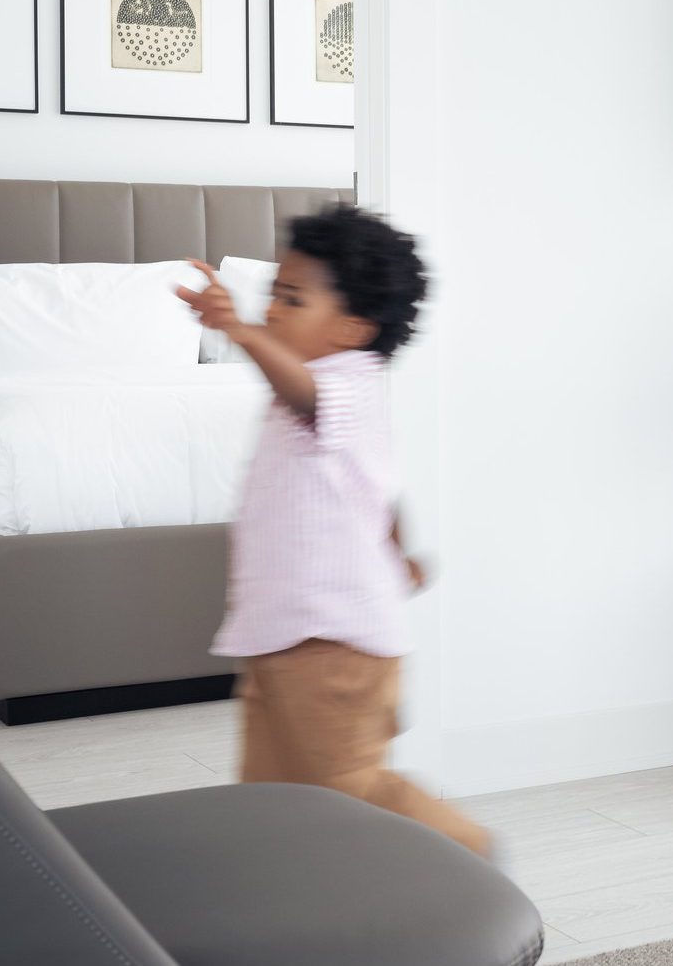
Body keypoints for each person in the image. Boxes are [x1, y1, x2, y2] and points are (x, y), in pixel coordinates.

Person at [178, 204, 491, 858]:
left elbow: (303, 394)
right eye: (273, 294)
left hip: (333, 644)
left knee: (347, 789)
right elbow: (377, 489)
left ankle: (461, 852)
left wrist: (236, 329)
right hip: (279, 635)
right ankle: (294, 910)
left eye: (293, 299)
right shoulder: (323, 393)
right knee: (268, 795)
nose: (272, 310)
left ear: (352, 329)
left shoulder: (347, 382)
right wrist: (396, 552)